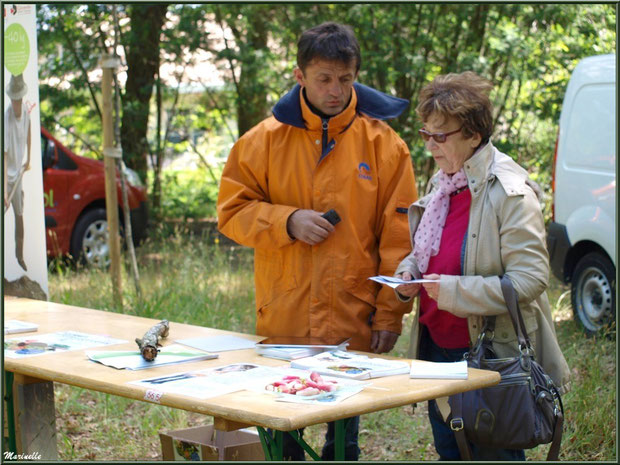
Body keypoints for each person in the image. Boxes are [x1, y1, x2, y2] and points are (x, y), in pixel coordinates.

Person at [217, 22, 417, 461]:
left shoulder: (386, 145)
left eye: (345, 79)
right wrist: (287, 221)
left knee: (345, 442)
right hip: (284, 313)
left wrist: (390, 315)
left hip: (353, 314)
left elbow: (400, 239)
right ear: (299, 76)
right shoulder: (261, 141)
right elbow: (231, 213)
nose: (336, 91)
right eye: (324, 79)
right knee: (285, 431)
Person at [394, 71, 570, 461]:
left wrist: (456, 291)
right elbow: (430, 252)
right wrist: (409, 272)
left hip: (490, 357)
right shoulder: (444, 184)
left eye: (441, 137)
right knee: (450, 452)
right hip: (436, 350)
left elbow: (531, 278)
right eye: (426, 135)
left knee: (493, 456)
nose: (431, 147)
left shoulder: (510, 191)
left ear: (473, 134)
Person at [4, 73, 32, 272]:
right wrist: (4, 190)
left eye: (18, 100)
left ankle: (19, 256)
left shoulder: (25, 112)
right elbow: (4, 155)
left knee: (19, 214)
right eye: (13, 100)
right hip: (5, 174)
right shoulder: (6, 117)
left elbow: (29, 134)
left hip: (18, 173)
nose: (15, 104)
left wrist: (29, 159)